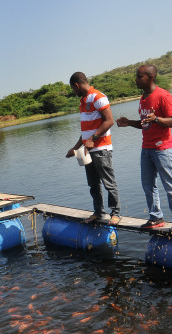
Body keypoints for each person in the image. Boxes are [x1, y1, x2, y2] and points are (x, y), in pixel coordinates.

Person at [116, 64, 172, 232]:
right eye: (136, 76)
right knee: (148, 186)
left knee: (170, 185)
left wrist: (156, 119)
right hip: (146, 148)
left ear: (151, 77)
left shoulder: (163, 95)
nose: (136, 79)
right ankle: (156, 217)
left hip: (163, 149)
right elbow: (145, 123)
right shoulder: (143, 97)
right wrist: (129, 123)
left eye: (139, 76)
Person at [66, 71, 121, 225]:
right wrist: (75, 148)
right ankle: (98, 212)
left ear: (77, 85)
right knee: (93, 184)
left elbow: (109, 121)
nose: (74, 92)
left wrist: (93, 138)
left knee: (108, 182)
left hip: (102, 148)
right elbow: (86, 131)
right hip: (87, 150)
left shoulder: (98, 97)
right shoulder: (83, 101)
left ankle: (115, 213)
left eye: (73, 89)